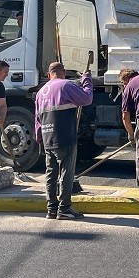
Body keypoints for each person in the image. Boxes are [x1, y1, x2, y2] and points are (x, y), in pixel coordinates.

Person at [35, 61, 93, 219]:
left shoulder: (41, 92)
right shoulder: (66, 85)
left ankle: (51, 209)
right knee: (66, 173)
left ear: (49, 74)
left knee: (51, 173)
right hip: (64, 135)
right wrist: (87, 80)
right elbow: (86, 99)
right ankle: (65, 208)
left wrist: (39, 138)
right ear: (64, 72)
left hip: (48, 137)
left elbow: (37, 119)